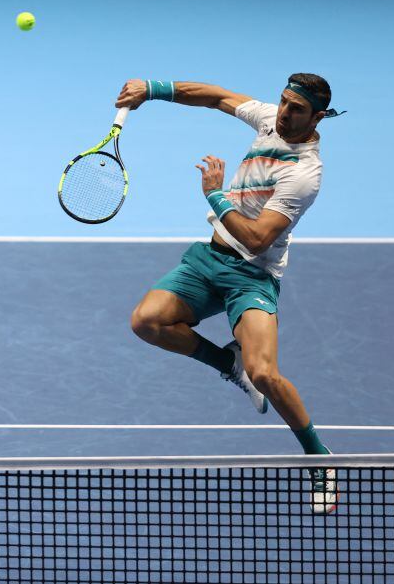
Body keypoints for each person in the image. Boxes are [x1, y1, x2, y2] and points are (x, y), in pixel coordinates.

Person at [118, 75, 345, 513]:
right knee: (147, 321)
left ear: (317, 118)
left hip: (252, 275)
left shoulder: (304, 174)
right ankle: (227, 361)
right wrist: (152, 88)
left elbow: (257, 239)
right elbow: (217, 97)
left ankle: (319, 456)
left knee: (265, 375)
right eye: (283, 102)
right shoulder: (268, 121)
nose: (283, 112)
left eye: (296, 109)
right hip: (208, 260)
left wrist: (215, 196)